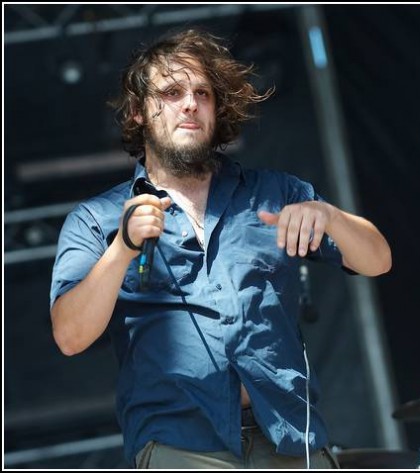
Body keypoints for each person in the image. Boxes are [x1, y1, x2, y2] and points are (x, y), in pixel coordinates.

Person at [50, 29, 392, 469]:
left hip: (289, 436)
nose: (190, 103)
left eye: (202, 93)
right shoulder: (97, 218)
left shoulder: (275, 192)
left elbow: (379, 260)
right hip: (181, 442)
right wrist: (122, 248)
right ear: (137, 112)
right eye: (171, 92)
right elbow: (70, 336)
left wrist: (332, 218)